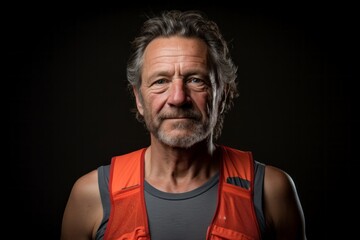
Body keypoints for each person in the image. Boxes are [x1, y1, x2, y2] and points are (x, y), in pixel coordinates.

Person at [60, 10, 307, 240]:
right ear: (139, 98)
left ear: (221, 94)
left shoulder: (271, 191)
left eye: (195, 79)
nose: (178, 98)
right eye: (160, 81)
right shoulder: (90, 195)